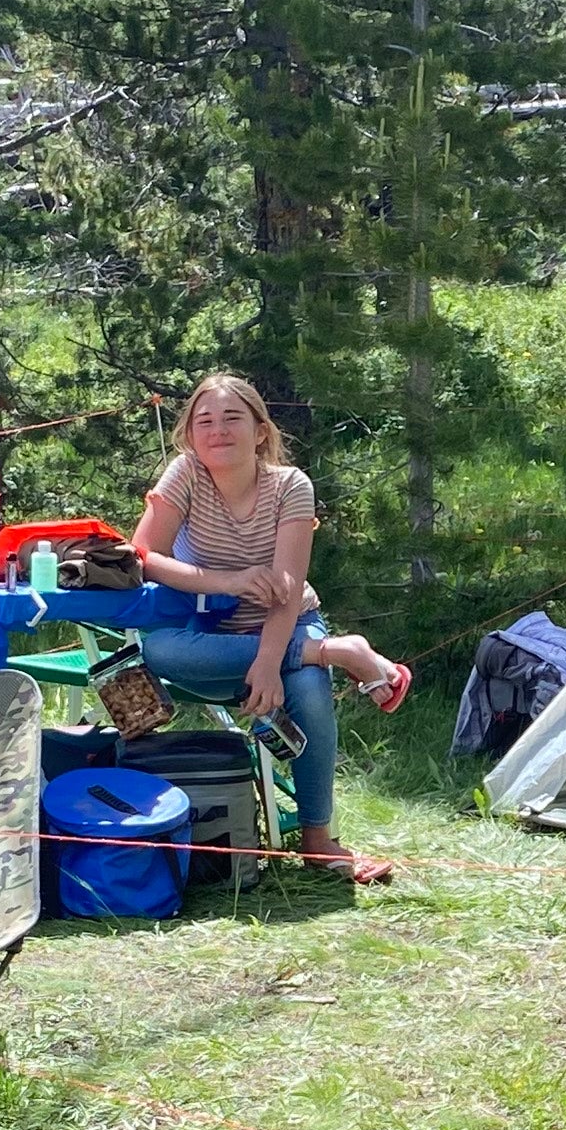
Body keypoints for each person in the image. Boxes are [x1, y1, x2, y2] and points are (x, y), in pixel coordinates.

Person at [128, 374, 414, 883]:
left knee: (307, 690)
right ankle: (338, 652)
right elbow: (145, 557)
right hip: (212, 636)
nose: (218, 431)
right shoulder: (185, 474)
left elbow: (286, 587)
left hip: (290, 623)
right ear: (190, 435)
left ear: (260, 431)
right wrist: (229, 581)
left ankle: (317, 840)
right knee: (161, 651)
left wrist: (267, 661)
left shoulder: (290, 486)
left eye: (232, 418)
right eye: (205, 421)